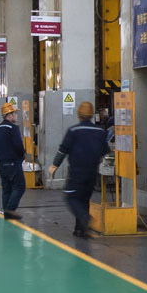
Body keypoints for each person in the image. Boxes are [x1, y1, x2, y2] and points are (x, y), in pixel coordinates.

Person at [51, 101, 112, 238]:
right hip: (92, 173)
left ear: (79, 115)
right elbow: (105, 151)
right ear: (92, 115)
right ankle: (80, 230)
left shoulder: (74, 131)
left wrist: (54, 165)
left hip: (76, 172)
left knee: (71, 197)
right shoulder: (100, 132)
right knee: (84, 199)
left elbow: (62, 150)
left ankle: (85, 218)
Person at [0, 101, 30, 221]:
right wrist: (22, 155)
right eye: (15, 114)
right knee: (20, 186)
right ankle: (10, 209)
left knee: (6, 188)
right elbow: (18, 146)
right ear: (9, 115)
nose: (16, 116)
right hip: (13, 163)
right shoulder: (13, 128)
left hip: (1, 163)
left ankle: (7, 214)